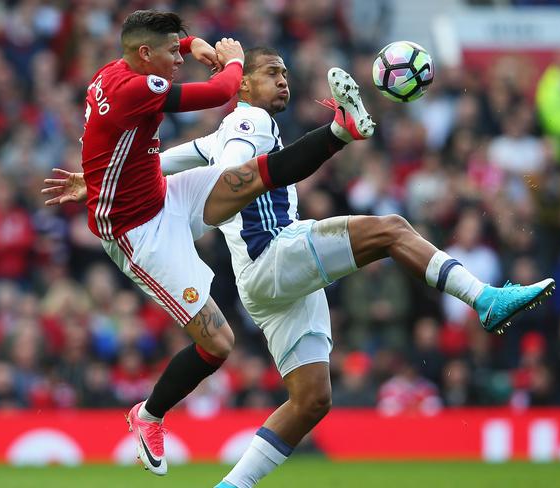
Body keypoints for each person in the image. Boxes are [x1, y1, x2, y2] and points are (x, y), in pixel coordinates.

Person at [45, 44, 556, 487]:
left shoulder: (225, 130)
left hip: (264, 283)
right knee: (392, 229)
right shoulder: (250, 120)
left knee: (311, 399)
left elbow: (161, 163)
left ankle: (231, 486)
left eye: (286, 73)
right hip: (273, 255)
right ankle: (485, 300)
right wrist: (327, 137)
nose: (283, 80)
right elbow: (233, 171)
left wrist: (92, 184)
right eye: (272, 73)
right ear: (242, 83)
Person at [42, 9, 376, 477]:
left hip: (162, 193)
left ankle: (340, 132)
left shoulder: (118, 68)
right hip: (137, 232)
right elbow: (220, 91)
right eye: (170, 54)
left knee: (243, 179)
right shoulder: (138, 88)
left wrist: (189, 43)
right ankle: (148, 415)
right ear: (144, 56)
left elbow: (165, 50)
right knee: (219, 343)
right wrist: (233, 61)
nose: (178, 61)